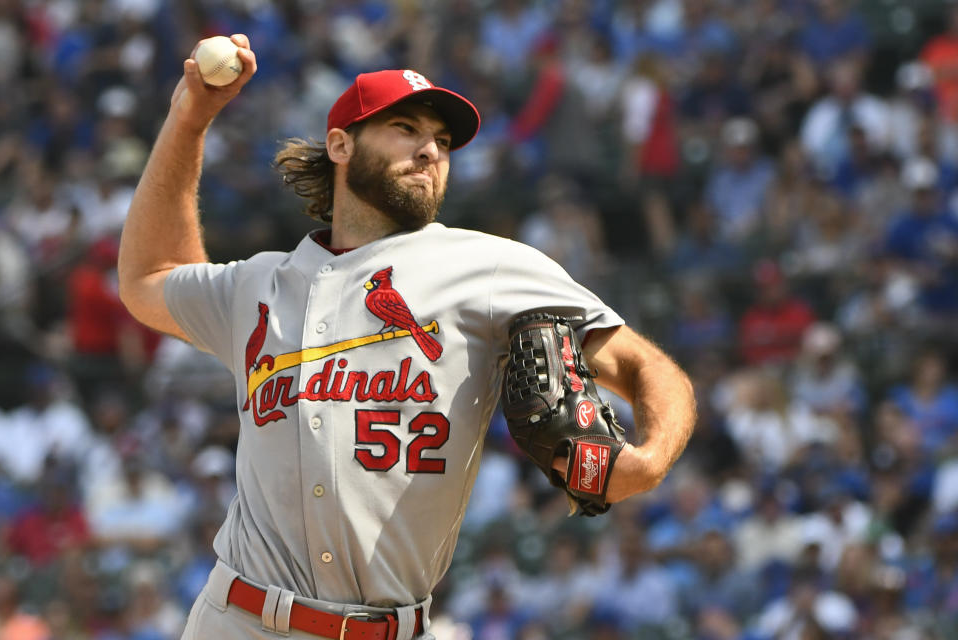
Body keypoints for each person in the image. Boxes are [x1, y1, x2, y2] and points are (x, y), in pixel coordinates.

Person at [117, 34, 696, 640]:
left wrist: (651, 461)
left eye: (443, 141)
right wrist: (191, 119)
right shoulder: (258, 283)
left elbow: (642, 363)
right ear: (340, 144)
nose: (430, 150)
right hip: (239, 619)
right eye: (405, 128)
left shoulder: (490, 268)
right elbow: (149, 279)